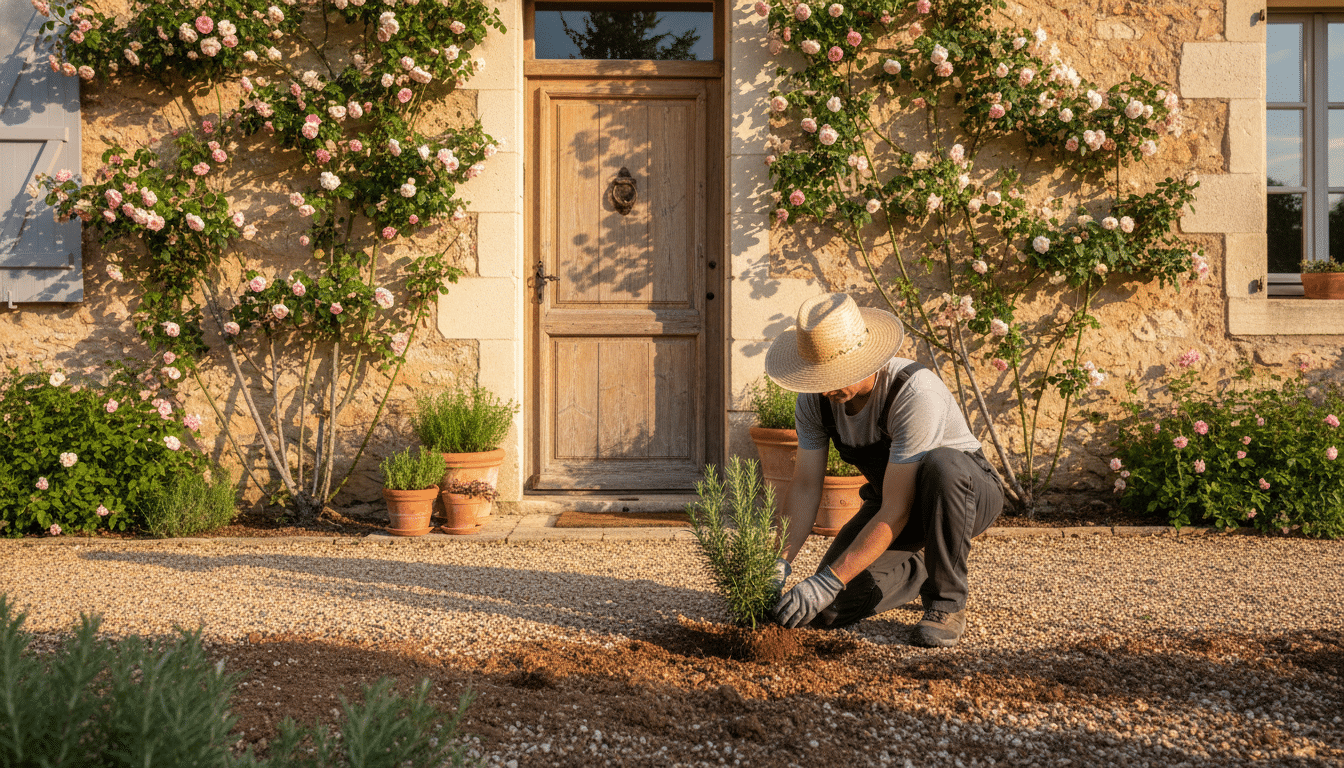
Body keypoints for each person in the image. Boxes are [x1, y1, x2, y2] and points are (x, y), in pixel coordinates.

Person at [764, 293, 1003, 647]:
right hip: (891, 501)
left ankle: (946, 602)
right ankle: (918, 567)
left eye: (835, 374)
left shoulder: (914, 393)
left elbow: (898, 508)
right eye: (818, 376)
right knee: (826, 612)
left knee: (943, 465)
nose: (827, 386)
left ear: (865, 360)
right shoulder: (815, 400)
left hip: (963, 496)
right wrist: (779, 562)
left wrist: (832, 578)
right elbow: (804, 487)